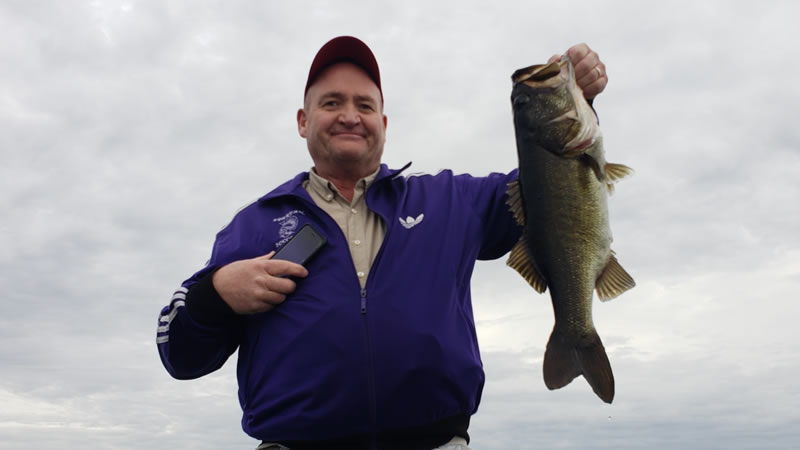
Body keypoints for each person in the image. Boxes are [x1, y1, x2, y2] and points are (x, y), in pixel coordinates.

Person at [156, 36, 608, 450]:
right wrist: (216, 295)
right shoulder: (253, 226)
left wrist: (577, 99)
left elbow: (556, 187)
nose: (350, 115)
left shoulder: (453, 201)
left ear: (384, 123)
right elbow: (180, 355)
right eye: (331, 102)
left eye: (365, 105)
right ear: (303, 120)